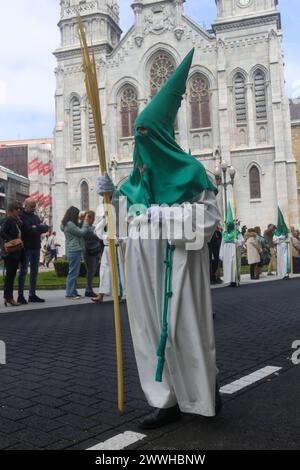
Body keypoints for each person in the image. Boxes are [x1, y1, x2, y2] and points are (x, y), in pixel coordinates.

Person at [96, 49, 222, 429]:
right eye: (138, 136)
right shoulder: (134, 182)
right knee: (149, 332)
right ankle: (163, 399)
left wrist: (162, 214)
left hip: (179, 268)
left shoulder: (192, 172)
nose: (142, 143)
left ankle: (201, 395)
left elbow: (209, 220)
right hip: (143, 272)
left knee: (186, 330)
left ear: (163, 138)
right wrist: (113, 198)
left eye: (148, 136)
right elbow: (119, 227)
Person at [18, 198, 49, 304]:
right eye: (31, 206)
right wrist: (38, 227)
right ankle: (20, 296)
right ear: (25, 205)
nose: (33, 208)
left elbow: (45, 228)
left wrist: (37, 227)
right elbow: (27, 230)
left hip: (36, 247)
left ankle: (32, 295)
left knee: (34, 272)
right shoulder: (21, 216)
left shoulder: (35, 216)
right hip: (26, 247)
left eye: (34, 206)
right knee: (23, 272)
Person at [91, 215, 125, 303]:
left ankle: (119, 295)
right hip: (107, 249)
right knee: (104, 272)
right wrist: (105, 218)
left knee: (117, 272)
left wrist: (119, 238)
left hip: (116, 249)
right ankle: (101, 294)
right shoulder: (106, 219)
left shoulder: (121, 218)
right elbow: (97, 231)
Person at [61, 206, 89, 299]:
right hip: (74, 249)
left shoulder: (66, 223)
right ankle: (69, 293)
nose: (77, 216)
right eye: (77, 215)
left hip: (72, 249)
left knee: (74, 272)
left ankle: (73, 291)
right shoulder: (70, 224)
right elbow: (81, 232)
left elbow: (76, 230)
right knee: (73, 272)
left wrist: (80, 222)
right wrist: (85, 222)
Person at [0, 201, 24, 307]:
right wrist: (12, 240)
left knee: (11, 275)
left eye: (19, 209)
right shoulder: (9, 219)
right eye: (17, 209)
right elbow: (1, 232)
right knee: (10, 276)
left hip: (14, 252)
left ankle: (8, 297)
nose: (19, 211)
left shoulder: (13, 220)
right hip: (10, 253)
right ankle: (9, 297)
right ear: (11, 210)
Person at [220, 204, 244, 287]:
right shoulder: (224, 233)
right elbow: (222, 244)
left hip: (234, 251)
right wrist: (221, 253)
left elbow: (242, 241)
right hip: (227, 252)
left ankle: (235, 279)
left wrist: (236, 241)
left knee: (234, 264)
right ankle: (229, 280)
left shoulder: (237, 232)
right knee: (228, 265)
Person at [83, 211, 103, 297]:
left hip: (95, 251)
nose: (93, 219)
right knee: (90, 271)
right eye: (91, 217)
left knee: (92, 271)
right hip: (89, 251)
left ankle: (89, 289)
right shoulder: (85, 226)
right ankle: (88, 290)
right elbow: (94, 235)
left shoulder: (91, 227)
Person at [273, 208, 290, 280]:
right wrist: (281, 238)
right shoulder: (276, 233)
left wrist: (284, 238)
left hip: (286, 248)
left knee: (286, 261)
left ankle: (286, 273)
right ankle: (282, 274)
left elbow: (289, 239)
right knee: (281, 261)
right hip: (280, 248)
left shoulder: (286, 231)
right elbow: (275, 241)